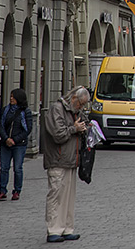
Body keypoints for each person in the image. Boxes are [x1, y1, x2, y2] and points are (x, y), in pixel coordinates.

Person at [42, 85, 90, 243]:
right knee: (56, 195)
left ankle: (67, 228)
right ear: (74, 98)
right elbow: (58, 134)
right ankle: (53, 229)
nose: (81, 107)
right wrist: (74, 128)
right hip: (58, 159)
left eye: (83, 105)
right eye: (80, 104)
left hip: (71, 160)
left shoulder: (74, 111)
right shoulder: (57, 109)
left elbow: (79, 127)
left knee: (68, 197)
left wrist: (84, 128)